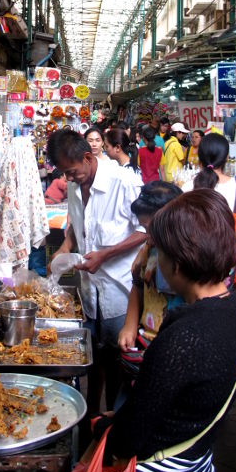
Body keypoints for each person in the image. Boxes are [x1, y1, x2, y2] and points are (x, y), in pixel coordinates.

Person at [94, 189, 236, 472]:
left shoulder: (183, 338)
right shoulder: (235, 312)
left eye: (161, 253)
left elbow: (129, 436)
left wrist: (102, 429)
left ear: (176, 265)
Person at [47, 129, 144, 411]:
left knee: (117, 363)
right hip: (90, 293)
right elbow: (77, 229)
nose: (68, 179)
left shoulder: (124, 182)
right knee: (93, 358)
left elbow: (146, 229)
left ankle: (111, 418)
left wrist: (106, 255)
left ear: (88, 158)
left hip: (119, 292)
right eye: (64, 173)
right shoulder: (76, 186)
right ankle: (91, 415)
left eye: (71, 172)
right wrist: (62, 250)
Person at [117, 181, 183, 360]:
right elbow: (138, 285)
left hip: (177, 345)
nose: (149, 237)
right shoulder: (149, 249)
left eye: (153, 229)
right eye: (145, 229)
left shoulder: (189, 255)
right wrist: (129, 326)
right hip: (145, 340)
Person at [184, 133, 236, 245]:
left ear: (200, 156)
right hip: (232, 251)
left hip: (197, 252)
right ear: (227, 157)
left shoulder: (187, 188)